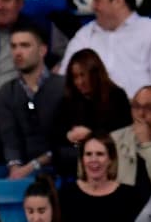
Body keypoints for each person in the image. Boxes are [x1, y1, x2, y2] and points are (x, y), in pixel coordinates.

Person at [59, 0, 151, 99]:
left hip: (139, 113)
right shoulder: (85, 34)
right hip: (90, 114)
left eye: (97, 0)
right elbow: (64, 77)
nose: (92, 6)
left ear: (118, 1)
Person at [59, 134, 143, 222]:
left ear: (111, 159)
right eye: (88, 154)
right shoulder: (66, 194)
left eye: (100, 154)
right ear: (82, 159)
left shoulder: (130, 196)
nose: (94, 160)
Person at [0, 21, 63, 180]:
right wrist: (15, 167)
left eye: (25, 46)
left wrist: (33, 166)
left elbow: (66, 142)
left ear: (42, 50)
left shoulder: (63, 87)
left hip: (59, 165)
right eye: (14, 46)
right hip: (23, 169)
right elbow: (9, 139)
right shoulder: (6, 93)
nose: (18, 52)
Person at [52, 48, 131, 177]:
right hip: (77, 155)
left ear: (95, 73)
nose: (79, 82)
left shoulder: (117, 97)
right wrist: (68, 135)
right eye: (75, 77)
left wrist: (91, 136)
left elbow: (123, 134)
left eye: (83, 75)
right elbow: (55, 132)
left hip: (111, 155)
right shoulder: (69, 100)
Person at [111, 86, 151, 198]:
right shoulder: (115, 139)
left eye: (149, 108)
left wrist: (147, 144)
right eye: (136, 106)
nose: (141, 113)